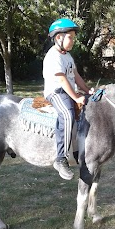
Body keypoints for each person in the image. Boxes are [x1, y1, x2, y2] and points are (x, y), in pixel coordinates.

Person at [43, 18, 94, 180]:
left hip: (69, 90)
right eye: (70, 37)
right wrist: (76, 98)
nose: (73, 40)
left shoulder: (68, 56)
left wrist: (87, 91)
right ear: (59, 38)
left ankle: (80, 149)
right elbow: (62, 80)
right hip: (56, 92)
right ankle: (61, 157)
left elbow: (75, 75)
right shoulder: (53, 56)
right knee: (67, 114)